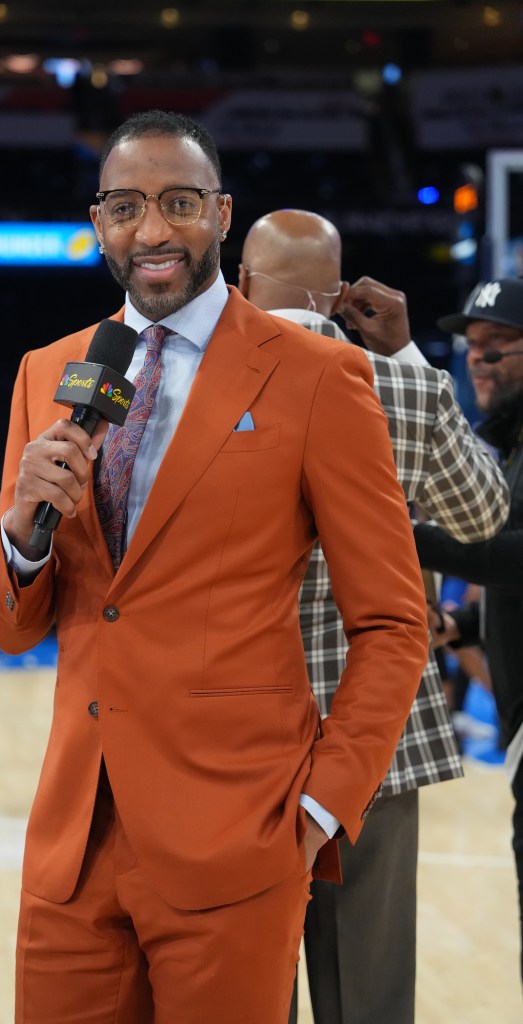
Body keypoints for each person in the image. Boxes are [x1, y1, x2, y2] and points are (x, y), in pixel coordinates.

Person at [0, 110, 430, 1024]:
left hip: (240, 842)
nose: (152, 231)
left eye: (179, 203)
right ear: (97, 222)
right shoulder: (49, 371)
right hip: (74, 845)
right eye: (126, 207)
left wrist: (322, 810)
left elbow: (392, 621)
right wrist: (23, 531)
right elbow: (10, 624)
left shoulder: (313, 377)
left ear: (222, 216)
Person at [238, 209, 510, 1024]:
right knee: (370, 996)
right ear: (338, 295)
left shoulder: (192, 380)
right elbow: (482, 516)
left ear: (241, 284)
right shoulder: (401, 382)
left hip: (233, 738)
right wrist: (403, 355)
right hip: (379, 737)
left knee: (242, 986)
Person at [412, 276, 523, 981]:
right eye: (472, 347)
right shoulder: (506, 449)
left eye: (500, 346)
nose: (478, 359)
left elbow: (512, 554)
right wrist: (458, 623)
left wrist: (401, 534)